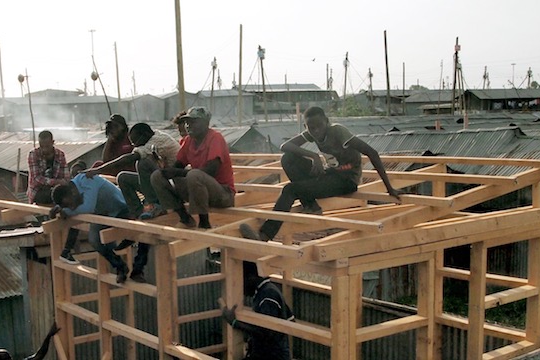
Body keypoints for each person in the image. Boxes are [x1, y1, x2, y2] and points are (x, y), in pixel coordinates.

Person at [239, 106, 400, 242]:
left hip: (346, 180)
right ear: (306, 127)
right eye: (311, 128)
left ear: (326, 122)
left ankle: (265, 235)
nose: (316, 131)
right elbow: (285, 146)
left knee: (290, 190)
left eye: (319, 126)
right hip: (329, 174)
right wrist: (314, 156)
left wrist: (389, 188)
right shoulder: (312, 133)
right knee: (288, 159)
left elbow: (372, 153)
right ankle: (311, 205)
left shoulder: (338, 132)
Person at [49, 173, 150, 284]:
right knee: (95, 240)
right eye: (68, 207)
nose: (72, 208)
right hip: (103, 215)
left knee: (143, 231)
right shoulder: (73, 193)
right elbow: (77, 207)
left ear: (72, 193)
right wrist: (60, 209)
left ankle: (138, 269)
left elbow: (88, 207)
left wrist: (67, 212)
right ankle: (120, 267)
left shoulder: (87, 181)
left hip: (122, 210)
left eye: (70, 204)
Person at [151, 106, 235, 229]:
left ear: (205, 123)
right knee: (157, 176)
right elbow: (178, 165)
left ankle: (204, 222)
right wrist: (166, 171)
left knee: (194, 174)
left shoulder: (215, 138)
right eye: (187, 122)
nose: (188, 125)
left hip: (223, 194)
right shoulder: (189, 141)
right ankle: (185, 218)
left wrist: (178, 172)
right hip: (201, 192)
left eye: (193, 122)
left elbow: (211, 170)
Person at [85, 122, 180, 219]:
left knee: (142, 163)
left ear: (145, 135)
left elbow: (129, 158)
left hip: (174, 184)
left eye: (136, 143)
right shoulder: (149, 139)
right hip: (161, 183)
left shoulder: (158, 140)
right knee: (123, 177)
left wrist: (98, 170)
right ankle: (137, 212)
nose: (136, 147)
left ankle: (154, 205)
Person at [221, 261, 293, 360]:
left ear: (251, 277)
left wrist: (235, 323)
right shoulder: (265, 291)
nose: (241, 288)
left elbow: (266, 331)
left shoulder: (268, 296)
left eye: (242, 281)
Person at [28, 130, 70, 205]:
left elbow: (66, 177)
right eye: (42, 146)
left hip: (56, 189)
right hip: (38, 191)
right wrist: (55, 182)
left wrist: (62, 183)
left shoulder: (60, 155)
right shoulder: (33, 154)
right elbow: (36, 178)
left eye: (47, 146)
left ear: (52, 142)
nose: (44, 149)